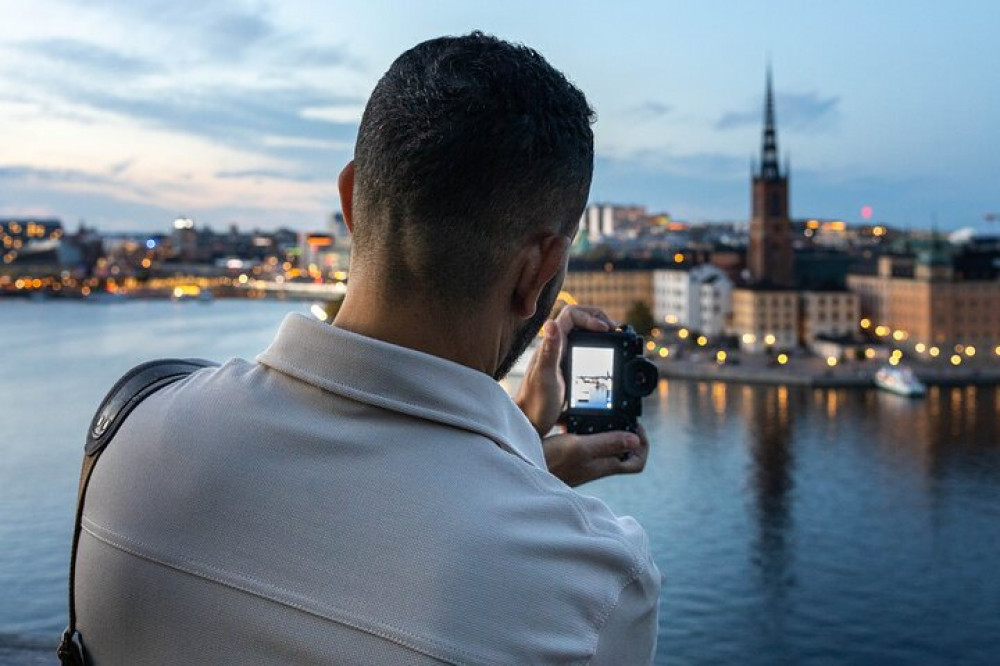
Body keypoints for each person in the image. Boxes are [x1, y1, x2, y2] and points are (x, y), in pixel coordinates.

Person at [75, 32, 660, 664]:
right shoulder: (594, 587)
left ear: (351, 202)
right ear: (539, 269)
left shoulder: (128, 431)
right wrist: (520, 465)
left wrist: (519, 450)